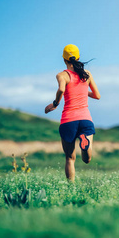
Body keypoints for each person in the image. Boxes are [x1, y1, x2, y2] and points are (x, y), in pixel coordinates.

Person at [45, 44, 101, 181]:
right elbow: (97, 95)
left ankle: (71, 188)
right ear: (79, 57)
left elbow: (62, 90)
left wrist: (55, 103)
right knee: (87, 159)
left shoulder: (62, 75)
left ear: (64, 59)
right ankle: (84, 140)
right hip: (85, 120)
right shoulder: (87, 74)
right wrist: (82, 91)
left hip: (68, 121)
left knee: (70, 158)